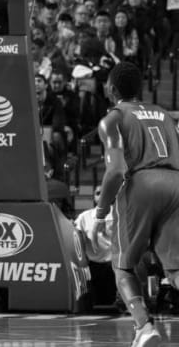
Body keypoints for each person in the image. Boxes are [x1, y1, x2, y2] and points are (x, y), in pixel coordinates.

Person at [90, 62, 179, 347]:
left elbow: (115, 171)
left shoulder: (112, 119)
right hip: (176, 183)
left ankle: (144, 327)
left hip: (141, 184)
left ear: (111, 89)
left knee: (123, 267)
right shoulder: (165, 114)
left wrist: (100, 214)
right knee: (176, 269)